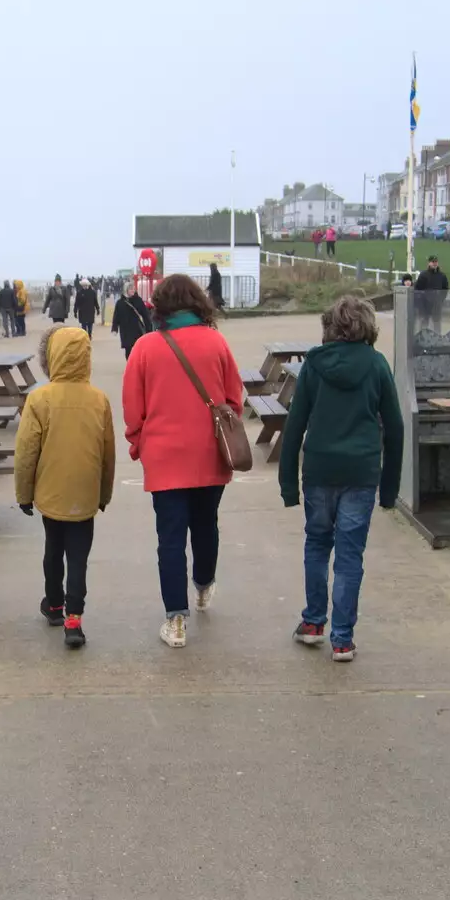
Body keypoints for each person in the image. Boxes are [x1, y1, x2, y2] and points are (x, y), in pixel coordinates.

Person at [278, 295, 404, 663]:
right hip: (361, 473)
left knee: (317, 544)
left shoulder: (314, 367)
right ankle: (343, 640)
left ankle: (314, 622)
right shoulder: (377, 365)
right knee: (350, 555)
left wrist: (288, 484)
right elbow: (394, 429)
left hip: (319, 470)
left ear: (329, 327)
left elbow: (295, 425)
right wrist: (390, 489)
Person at [122, 273, 244, 649]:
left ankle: (175, 620)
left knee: (170, 539)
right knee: (206, 525)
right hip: (210, 452)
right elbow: (234, 398)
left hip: (164, 458)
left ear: (159, 306)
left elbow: (133, 408)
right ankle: (204, 585)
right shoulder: (216, 343)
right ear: (197, 302)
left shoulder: (144, 348)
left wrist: (139, 442)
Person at [15, 325, 116, 649]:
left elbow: (26, 453)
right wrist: (104, 494)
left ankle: (54, 604)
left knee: (53, 549)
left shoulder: (39, 399)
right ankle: (74, 620)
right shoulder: (98, 400)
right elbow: (107, 454)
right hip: (85, 493)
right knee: (79, 556)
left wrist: (24, 494)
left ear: (50, 358)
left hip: (50, 492)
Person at [110, 283, 151, 360]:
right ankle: (130, 365)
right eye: (131, 289)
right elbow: (116, 316)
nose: (133, 290)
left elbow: (145, 315)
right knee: (128, 349)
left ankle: (138, 365)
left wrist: (149, 328)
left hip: (137, 328)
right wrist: (114, 328)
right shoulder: (120, 302)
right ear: (126, 290)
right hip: (125, 329)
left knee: (138, 348)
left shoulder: (138, 300)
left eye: (134, 289)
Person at [412, 254, 449, 330]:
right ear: (429, 263)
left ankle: (437, 339)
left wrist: (440, 300)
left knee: (437, 324)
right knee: (424, 323)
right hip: (425, 305)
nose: (435, 263)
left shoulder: (442, 276)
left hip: (436, 305)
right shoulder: (423, 275)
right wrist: (420, 304)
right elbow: (417, 290)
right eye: (433, 262)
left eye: (436, 262)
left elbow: (445, 289)